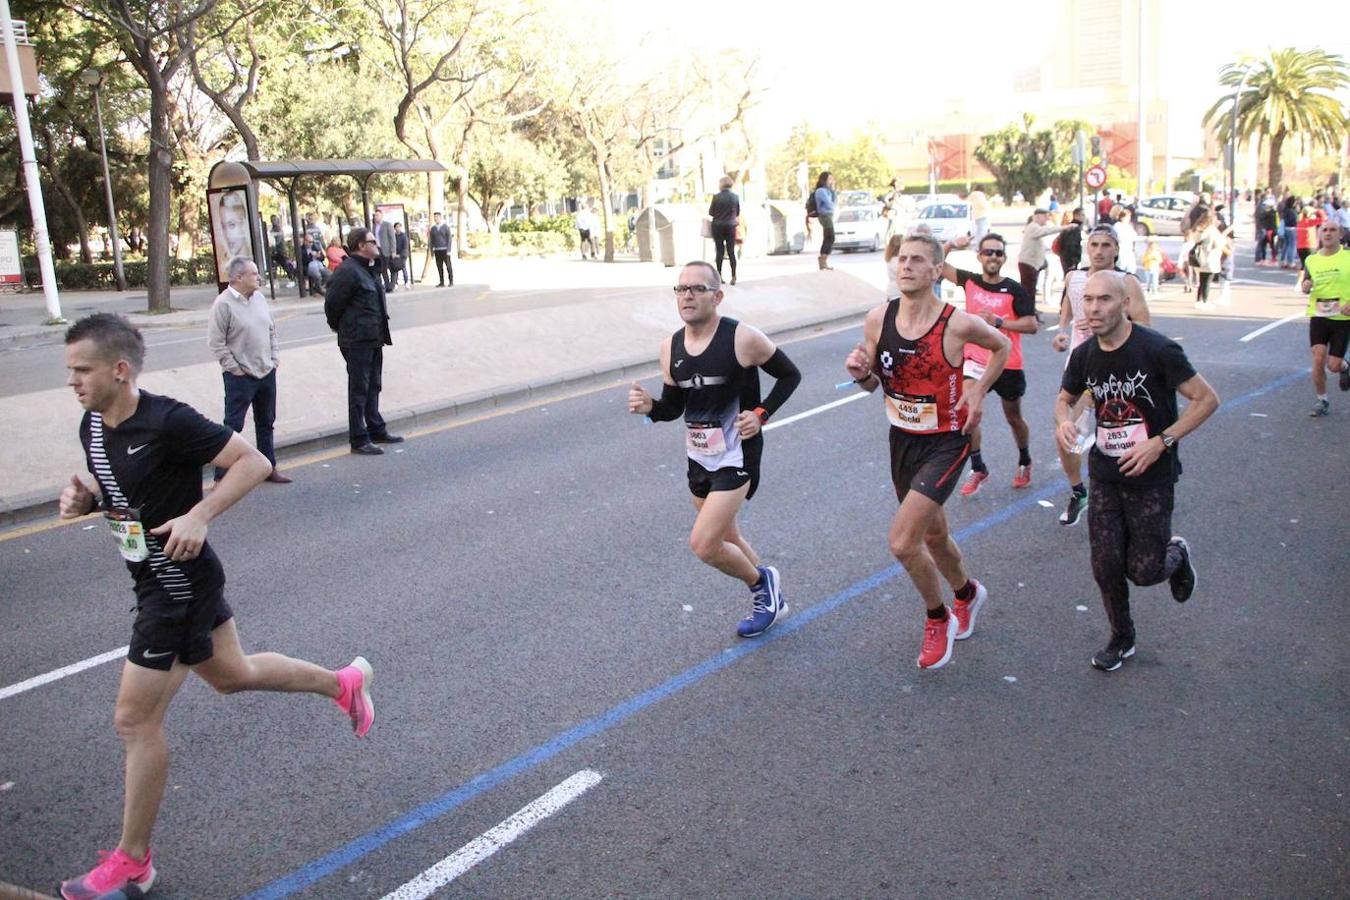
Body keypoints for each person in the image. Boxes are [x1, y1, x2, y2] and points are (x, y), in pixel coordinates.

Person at [56, 313, 374, 900]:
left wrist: (201, 513)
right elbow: (125, 490)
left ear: (120, 370)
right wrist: (87, 499)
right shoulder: (93, 425)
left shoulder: (168, 420)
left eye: (82, 370)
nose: (72, 381)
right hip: (156, 577)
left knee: (134, 720)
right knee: (234, 675)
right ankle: (343, 683)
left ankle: (133, 862)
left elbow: (252, 462)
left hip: (176, 586)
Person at [843, 233, 1010, 670]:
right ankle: (967, 594)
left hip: (946, 440)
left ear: (937, 270)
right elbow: (875, 381)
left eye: (918, 260)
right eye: (902, 259)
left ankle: (939, 618)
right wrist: (861, 373)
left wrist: (977, 389)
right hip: (902, 439)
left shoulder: (957, 323)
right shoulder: (878, 319)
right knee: (935, 537)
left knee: (903, 542)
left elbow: (1002, 347)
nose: (907, 266)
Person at [1055, 271, 1219, 672]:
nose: (1093, 309)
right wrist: (1064, 420)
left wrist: (1160, 442)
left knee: (1144, 572)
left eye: (1104, 300)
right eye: (1088, 300)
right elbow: (1065, 399)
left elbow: (1206, 400)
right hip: (1106, 475)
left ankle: (1176, 555)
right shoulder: (1084, 355)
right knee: (1105, 564)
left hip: (1152, 477)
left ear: (1125, 304)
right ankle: (1121, 636)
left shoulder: (1158, 349)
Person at [627, 261, 801, 637]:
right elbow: (673, 408)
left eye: (697, 289)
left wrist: (761, 413)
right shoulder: (670, 347)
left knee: (705, 544)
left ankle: (761, 589)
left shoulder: (742, 338)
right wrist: (651, 408)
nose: (687, 295)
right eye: (681, 289)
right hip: (699, 457)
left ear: (717, 296)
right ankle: (772, 592)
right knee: (729, 538)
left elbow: (790, 375)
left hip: (737, 455)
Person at [1052, 224, 1153, 526]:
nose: (1098, 251)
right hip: (1080, 364)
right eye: (1093, 245)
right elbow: (1065, 319)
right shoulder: (1074, 277)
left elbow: (1146, 326)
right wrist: (1060, 335)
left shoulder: (1126, 282)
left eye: (1105, 245)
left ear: (1117, 250)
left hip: (1115, 368)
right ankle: (1079, 492)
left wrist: (1112, 325)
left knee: (1114, 433)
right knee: (1064, 429)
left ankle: (1125, 497)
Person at [941, 232, 1038, 495]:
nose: (993, 257)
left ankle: (1024, 460)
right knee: (968, 412)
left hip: (1007, 362)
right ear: (980, 256)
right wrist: (950, 244)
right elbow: (936, 266)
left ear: (1004, 258)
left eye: (998, 253)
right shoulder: (969, 280)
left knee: (1013, 417)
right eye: (988, 252)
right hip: (974, 360)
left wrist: (999, 322)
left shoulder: (1014, 289)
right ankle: (978, 467)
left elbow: (1032, 325)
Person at [206, 258, 291, 486]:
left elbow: (271, 330)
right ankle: (222, 476)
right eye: (254, 274)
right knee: (233, 426)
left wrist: (274, 359)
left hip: (266, 371)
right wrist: (235, 369)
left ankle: (268, 467)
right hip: (240, 376)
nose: (258, 277)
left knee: (266, 421)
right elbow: (216, 343)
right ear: (238, 278)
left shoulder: (259, 298)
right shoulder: (223, 304)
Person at [324, 227, 403, 454]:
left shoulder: (369, 269)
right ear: (361, 245)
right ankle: (358, 438)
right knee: (359, 389)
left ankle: (375, 428)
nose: (377, 245)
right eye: (373, 242)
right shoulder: (348, 271)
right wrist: (339, 326)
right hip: (356, 339)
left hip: (373, 337)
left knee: (373, 385)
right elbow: (332, 304)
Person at [1299, 219, 1350, 417]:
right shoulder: (1311, 260)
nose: (1328, 233)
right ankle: (1322, 400)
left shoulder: (1347, 257)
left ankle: (1344, 365)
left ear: (1340, 235)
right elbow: (1306, 283)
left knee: (1333, 365)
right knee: (1318, 359)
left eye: (1332, 230)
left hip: (1342, 318)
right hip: (1319, 315)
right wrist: (1305, 287)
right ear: (1319, 234)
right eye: (1324, 230)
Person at [1018, 208, 1077, 301]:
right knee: (1028, 291)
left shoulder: (1034, 227)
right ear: (1037, 216)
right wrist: (1064, 227)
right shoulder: (1033, 227)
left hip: (1032, 264)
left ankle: (1031, 309)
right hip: (1028, 263)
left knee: (1030, 290)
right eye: (1045, 216)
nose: (1047, 219)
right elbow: (1047, 231)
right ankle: (1027, 311)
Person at [212, 190, 252, 282]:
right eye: (223, 226)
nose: (227, 234)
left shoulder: (251, 264)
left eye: (232, 225)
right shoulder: (226, 268)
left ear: (244, 223)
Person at [708, 175, 741, 285]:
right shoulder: (735, 197)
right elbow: (737, 213)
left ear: (721, 185)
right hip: (731, 226)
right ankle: (734, 276)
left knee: (720, 251)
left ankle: (719, 276)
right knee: (731, 251)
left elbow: (711, 212)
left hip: (718, 226)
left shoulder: (716, 197)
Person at [1192, 211, 1225, 309]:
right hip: (1211, 257)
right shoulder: (1212, 230)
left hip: (1200, 258)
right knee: (1207, 280)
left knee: (1202, 280)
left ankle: (1199, 300)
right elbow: (1219, 243)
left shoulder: (1199, 229)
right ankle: (1205, 301)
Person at [813, 171, 837, 271]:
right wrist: (832, 202)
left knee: (828, 238)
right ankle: (822, 259)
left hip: (829, 215)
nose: (831, 181)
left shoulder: (828, 191)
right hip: (824, 215)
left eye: (832, 179)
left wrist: (833, 190)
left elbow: (834, 202)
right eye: (830, 179)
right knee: (831, 237)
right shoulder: (821, 191)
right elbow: (829, 204)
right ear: (824, 180)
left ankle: (823, 260)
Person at [1055, 207, 1086, 274]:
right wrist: (1073, 261)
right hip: (1070, 261)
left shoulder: (1071, 227)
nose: (1084, 217)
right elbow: (1070, 245)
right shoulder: (1074, 228)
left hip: (1066, 259)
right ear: (1076, 215)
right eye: (1083, 215)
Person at [371, 210, 396, 291]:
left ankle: (392, 284)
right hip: (378, 249)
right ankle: (386, 285)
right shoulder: (374, 226)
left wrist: (393, 251)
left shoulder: (387, 225)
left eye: (377, 215)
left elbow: (392, 238)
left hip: (386, 250)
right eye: (375, 215)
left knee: (390, 267)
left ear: (381, 216)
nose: (376, 217)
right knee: (382, 269)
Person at [1112, 207, 1138, 276]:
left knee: (1131, 269)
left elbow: (1134, 238)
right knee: (1121, 268)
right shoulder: (1117, 226)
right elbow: (1117, 238)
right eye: (1127, 217)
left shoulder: (1129, 226)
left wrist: (1133, 248)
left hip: (1129, 250)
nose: (1128, 218)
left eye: (1129, 217)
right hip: (1121, 250)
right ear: (1122, 217)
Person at [429, 211, 453, 286]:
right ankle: (441, 282)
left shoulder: (445, 227)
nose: (436, 219)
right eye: (435, 217)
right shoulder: (433, 229)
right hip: (437, 250)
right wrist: (432, 251)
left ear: (440, 217)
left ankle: (451, 281)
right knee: (439, 267)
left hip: (445, 250)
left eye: (437, 217)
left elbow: (449, 239)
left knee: (448, 266)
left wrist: (448, 250)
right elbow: (431, 240)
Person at [391, 222, 409, 286]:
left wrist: (401, 255)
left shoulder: (404, 236)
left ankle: (406, 281)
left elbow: (405, 246)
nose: (398, 228)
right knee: (394, 268)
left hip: (402, 255)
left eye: (399, 227)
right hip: (395, 254)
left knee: (403, 267)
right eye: (396, 227)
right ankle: (395, 282)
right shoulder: (393, 236)